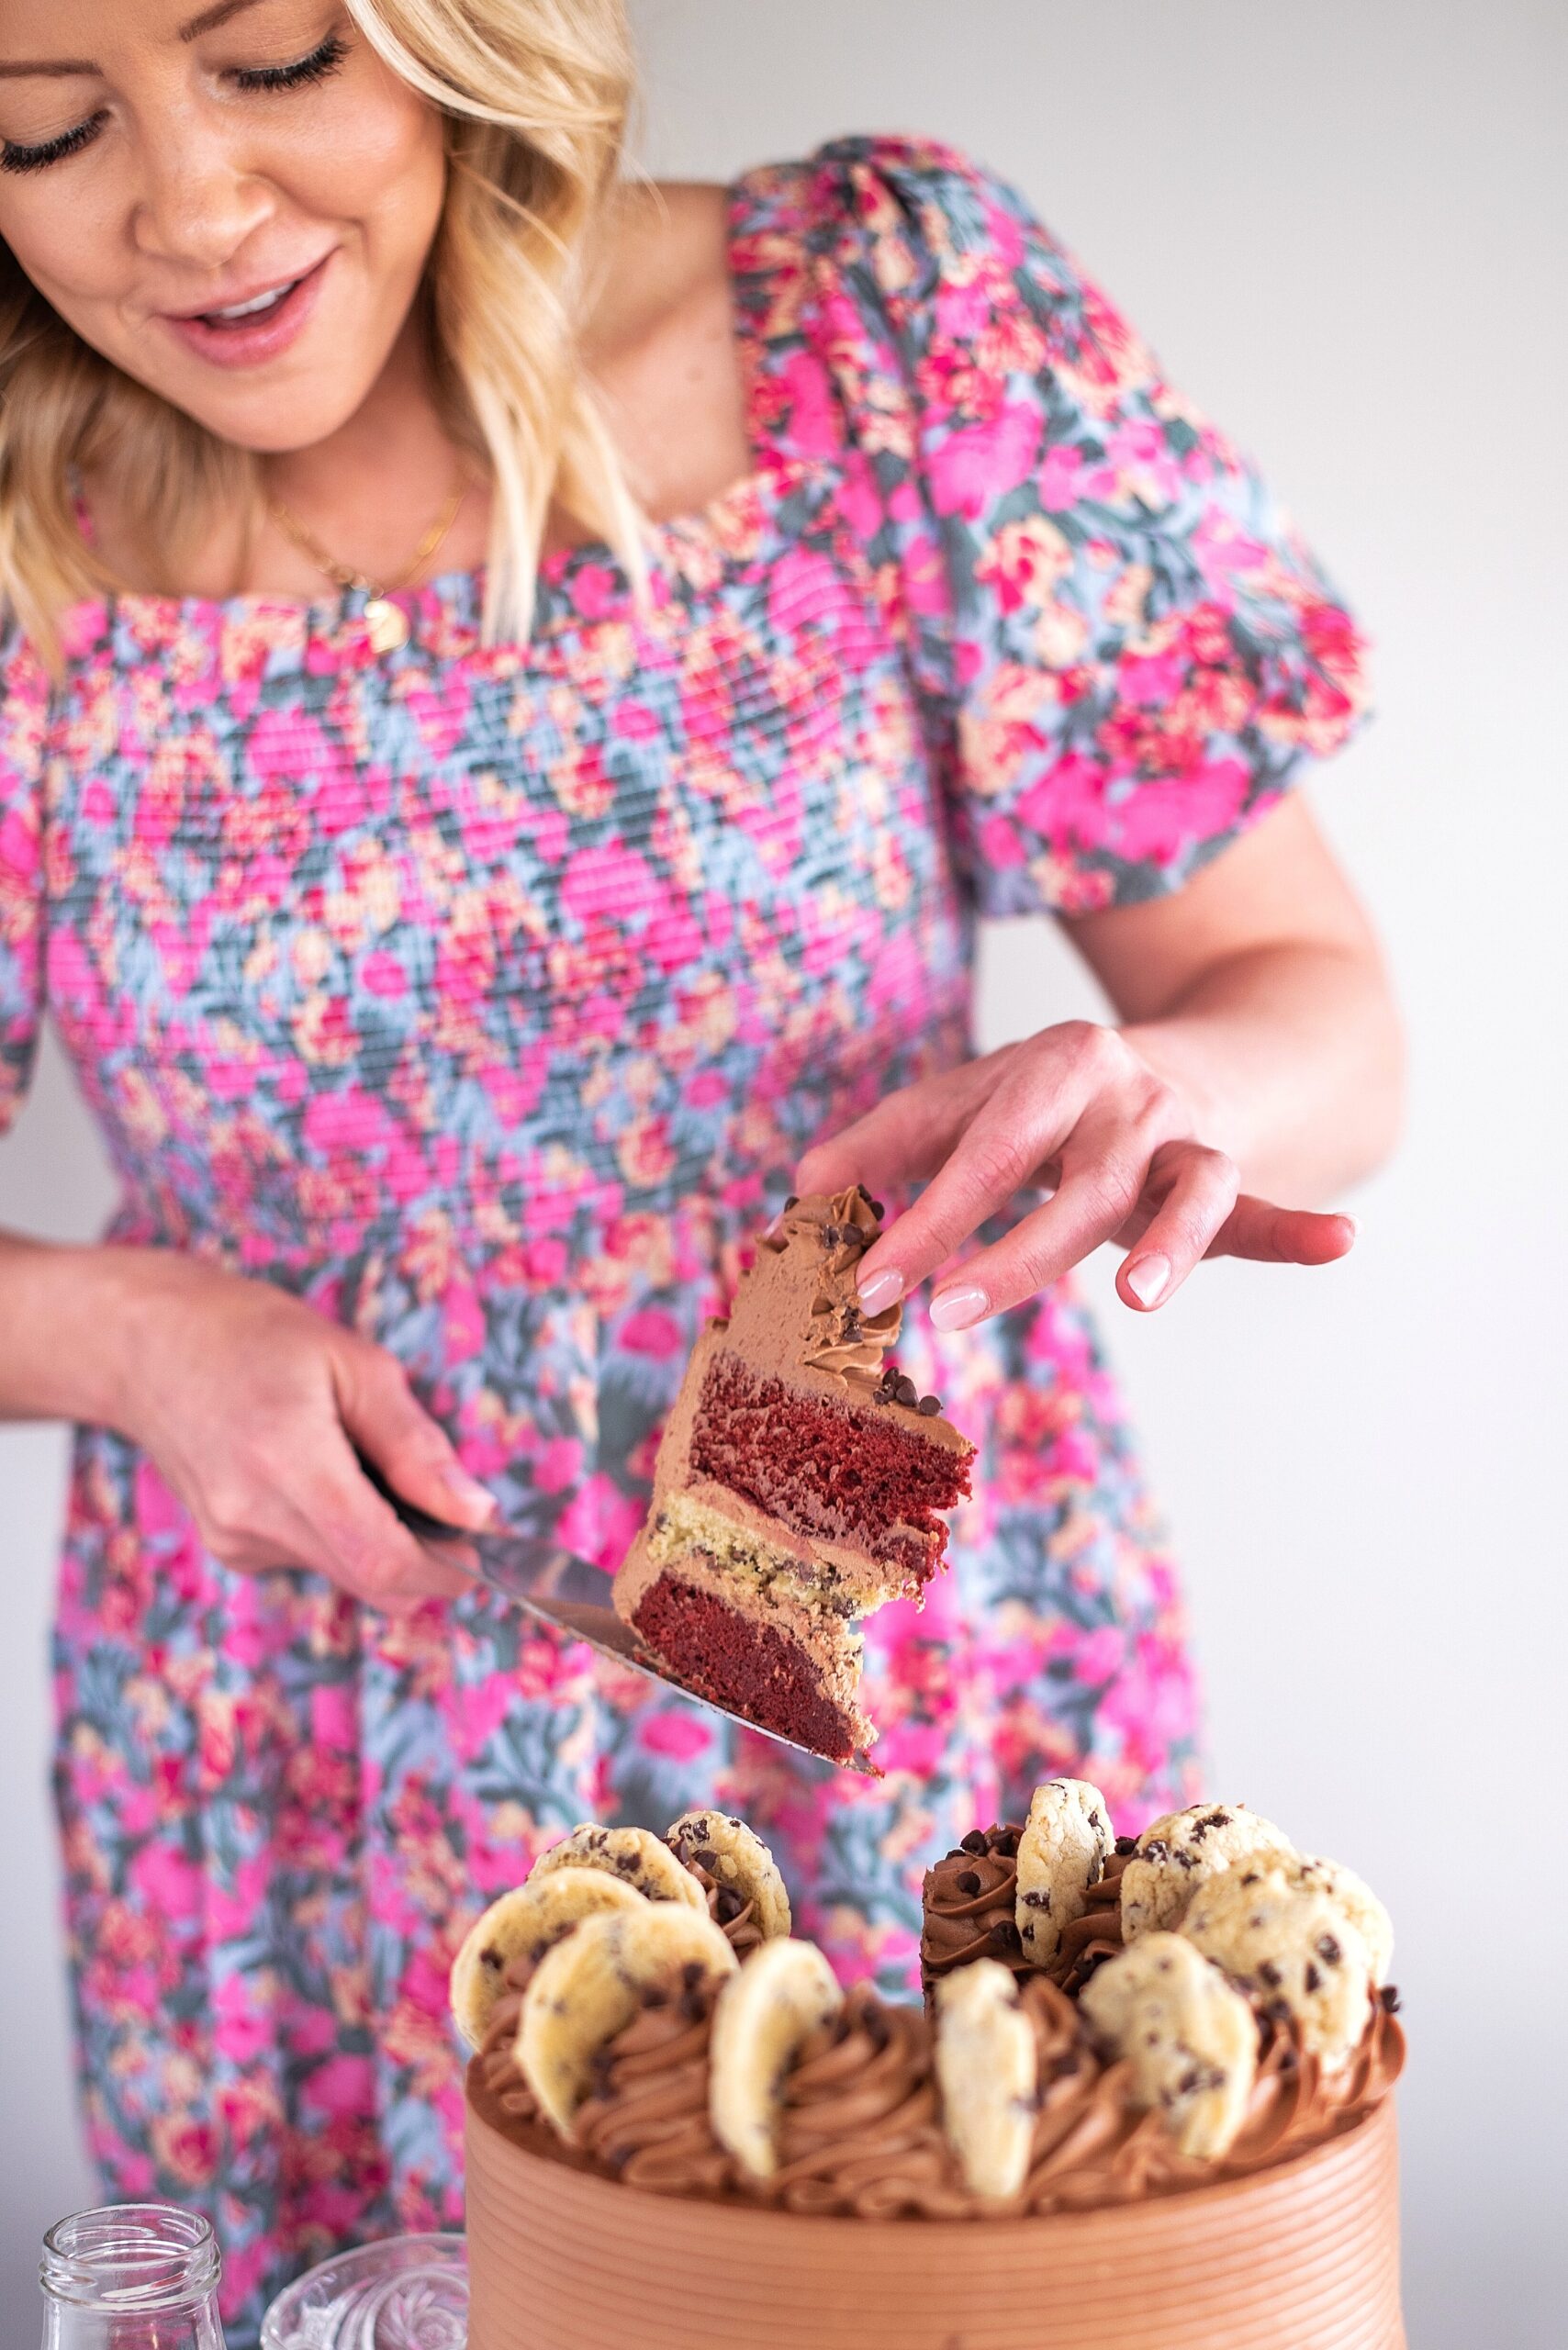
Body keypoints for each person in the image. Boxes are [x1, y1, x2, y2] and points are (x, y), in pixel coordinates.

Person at [0, 0, 1400, 2336]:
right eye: (41, 128)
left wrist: (1165, 1091)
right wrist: (118, 1330)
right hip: (299, 1767)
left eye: (267, 62)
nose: (189, 209)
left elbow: (1313, 1009)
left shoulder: (882, 322)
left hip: (905, 1683)